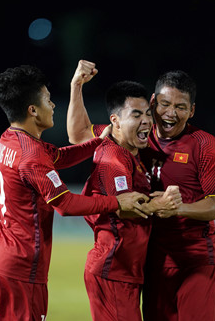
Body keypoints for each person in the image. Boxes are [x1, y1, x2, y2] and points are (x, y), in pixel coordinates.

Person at [0, 64, 151, 321]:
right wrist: (115, 202)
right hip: (22, 266)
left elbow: (58, 156)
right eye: (48, 100)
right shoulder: (31, 155)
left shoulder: (9, 138)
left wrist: (98, 141)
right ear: (33, 110)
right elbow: (65, 204)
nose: (53, 105)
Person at [67, 60, 215, 321]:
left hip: (196, 261)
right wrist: (76, 86)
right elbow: (78, 135)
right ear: (153, 102)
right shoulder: (137, 135)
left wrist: (176, 208)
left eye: (180, 107)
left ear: (191, 111)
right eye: (165, 104)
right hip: (152, 264)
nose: (170, 113)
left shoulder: (205, 145)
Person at [77, 78, 182, 321]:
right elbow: (124, 206)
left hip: (126, 270)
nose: (146, 121)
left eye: (147, 113)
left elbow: (77, 132)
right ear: (115, 121)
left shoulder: (131, 151)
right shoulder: (114, 159)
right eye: (136, 115)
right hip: (113, 269)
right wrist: (162, 204)